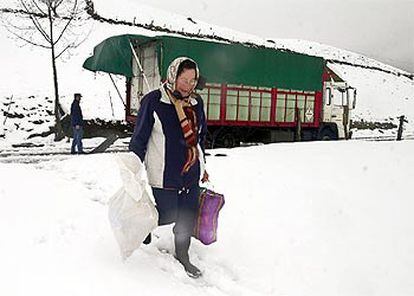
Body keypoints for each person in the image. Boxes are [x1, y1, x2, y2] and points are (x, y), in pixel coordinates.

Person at [129, 57, 209, 279]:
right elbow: (140, 138)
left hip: (190, 171)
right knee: (167, 212)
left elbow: (200, 137)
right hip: (165, 172)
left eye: (193, 81)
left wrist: (203, 164)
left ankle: (183, 255)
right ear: (173, 77)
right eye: (184, 80)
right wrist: (133, 167)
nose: (189, 86)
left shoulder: (196, 103)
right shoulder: (154, 101)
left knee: (187, 215)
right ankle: (143, 227)